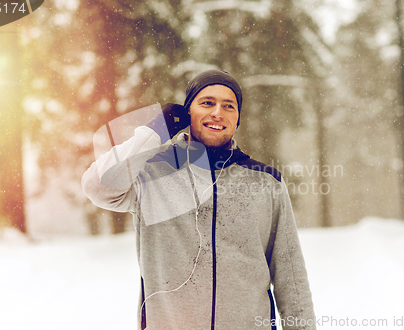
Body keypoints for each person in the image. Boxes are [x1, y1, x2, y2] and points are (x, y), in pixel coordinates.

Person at [82, 69, 316, 330]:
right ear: (187, 113)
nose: (218, 112)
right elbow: (96, 188)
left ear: (237, 119)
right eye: (207, 103)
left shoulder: (265, 181)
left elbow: (291, 277)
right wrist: (154, 132)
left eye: (229, 106)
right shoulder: (151, 171)